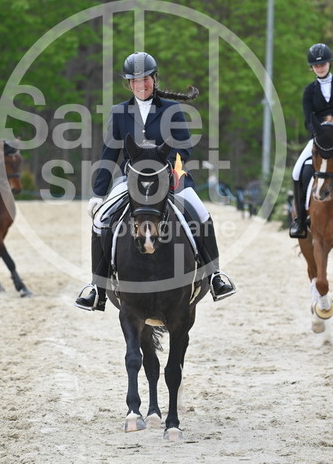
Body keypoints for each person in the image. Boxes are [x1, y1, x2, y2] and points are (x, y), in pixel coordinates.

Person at [75, 51, 236, 311]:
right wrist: (98, 193)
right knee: (101, 220)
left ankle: (215, 275)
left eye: (146, 79)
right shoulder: (119, 112)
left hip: (170, 177)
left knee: (202, 214)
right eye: (135, 80)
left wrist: (165, 166)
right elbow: (109, 154)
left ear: (154, 79)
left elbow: (184, 148)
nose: (141, 84)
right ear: (129, 84)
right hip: (131, 180)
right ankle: (97, 287)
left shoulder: (172, 110)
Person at [289, 43, 333, 238]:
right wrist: (321, 131)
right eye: (316, 65)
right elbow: (308, 120)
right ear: (312, 68)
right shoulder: (309, 91)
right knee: (297, 171)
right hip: (320, 139)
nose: (320, 67)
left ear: (329, 63)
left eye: (323, 64)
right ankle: (301, 220)